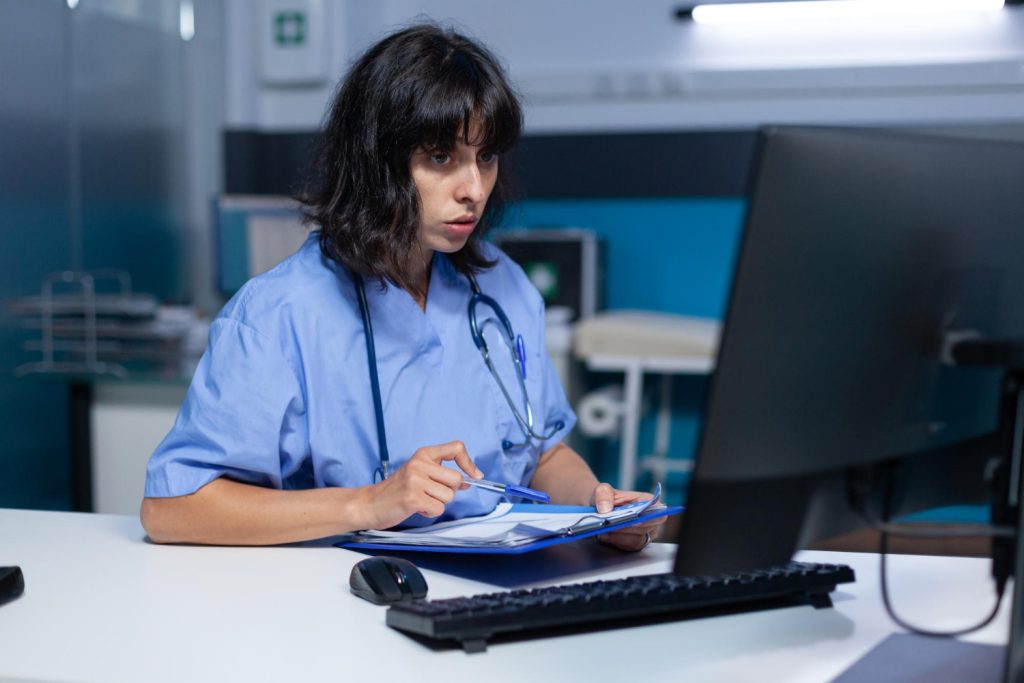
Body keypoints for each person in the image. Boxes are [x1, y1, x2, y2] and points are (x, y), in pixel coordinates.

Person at [141, 24, 664, 550]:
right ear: (376, 163)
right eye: (441, 158)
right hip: (346, 598)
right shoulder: (278, 314)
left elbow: (544, 453)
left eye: (485, 157)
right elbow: (174, 509)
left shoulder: (502, 286)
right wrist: (368, 503)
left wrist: (602, 510)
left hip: (495, 587)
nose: (474, 189)